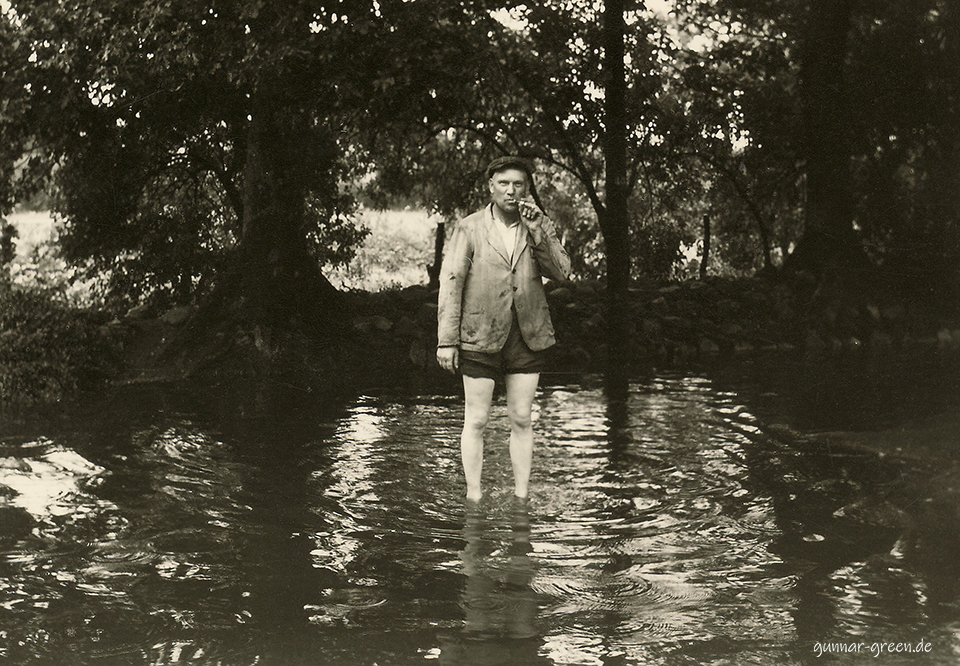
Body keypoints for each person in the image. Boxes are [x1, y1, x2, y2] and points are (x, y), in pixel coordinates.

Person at [437, 156, 571, 502]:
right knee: (477, 419)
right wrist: (447, 341)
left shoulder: (539, 224)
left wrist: (539, 231)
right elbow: (452, 282)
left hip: (527, 334)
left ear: (527, 189)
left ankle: (522, 498)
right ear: (491, 186)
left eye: (519, 185)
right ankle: (474, 497)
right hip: (479, 331)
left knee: (522, 417)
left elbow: (561, 272)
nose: (511, 191)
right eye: (504, 184)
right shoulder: (469, 227)